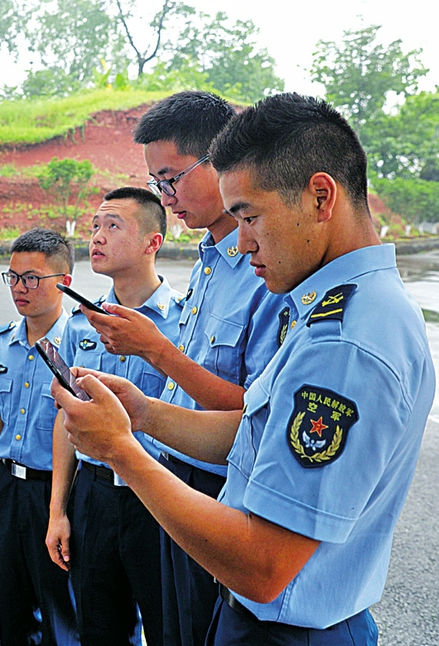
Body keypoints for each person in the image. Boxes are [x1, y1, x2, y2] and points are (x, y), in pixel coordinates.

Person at [52, 93, 435, 646]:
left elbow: (263, 565)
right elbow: (256, 430)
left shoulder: (346, 342)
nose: (246, 243)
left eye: (250, 217)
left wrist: (120, 451)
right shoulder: (333, 305)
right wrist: (142, 414)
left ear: (320, 197)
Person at [78, 91, 285, 646]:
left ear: (218, 161)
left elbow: (253, 413)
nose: (165, 197)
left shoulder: (264, 270)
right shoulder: (210, 262)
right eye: (156, 184)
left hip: (216, 487)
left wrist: (156, 350)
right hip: (175, 472)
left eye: (170, 179)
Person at [46, 187, 181, 646]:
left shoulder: (181, 325)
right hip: (94, 497)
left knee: (170, 626)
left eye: (113, 226)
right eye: (94, 227)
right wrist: (57, 511)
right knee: (99, 629)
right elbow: (67, 424)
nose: (97, 238)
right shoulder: (78, 324)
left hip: (158, 498)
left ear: (152, 243)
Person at [0, 228, 79, 646]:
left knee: (60, 610)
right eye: (13, 277)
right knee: (11, 606)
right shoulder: (1, 344)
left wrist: (61, 509)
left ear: (64, 282)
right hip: (9, 492)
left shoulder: (79, 346)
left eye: (33, 278)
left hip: (56, 492)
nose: (20, 288)